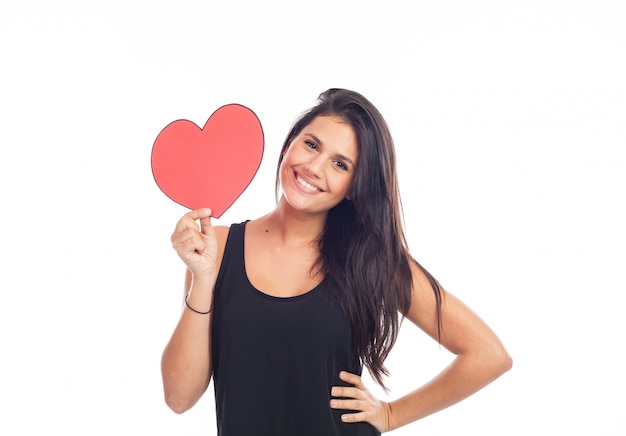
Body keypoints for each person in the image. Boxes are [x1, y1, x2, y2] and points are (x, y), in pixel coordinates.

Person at [160, 88, 512, 435]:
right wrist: (203, 278)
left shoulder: (370, 259)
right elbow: (179, 397)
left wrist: (390, 414)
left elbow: (487, 354)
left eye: (340, 164)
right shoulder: (216, 248)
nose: (314, 168)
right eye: (311, 145)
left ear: (354, 186)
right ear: (289, 145)